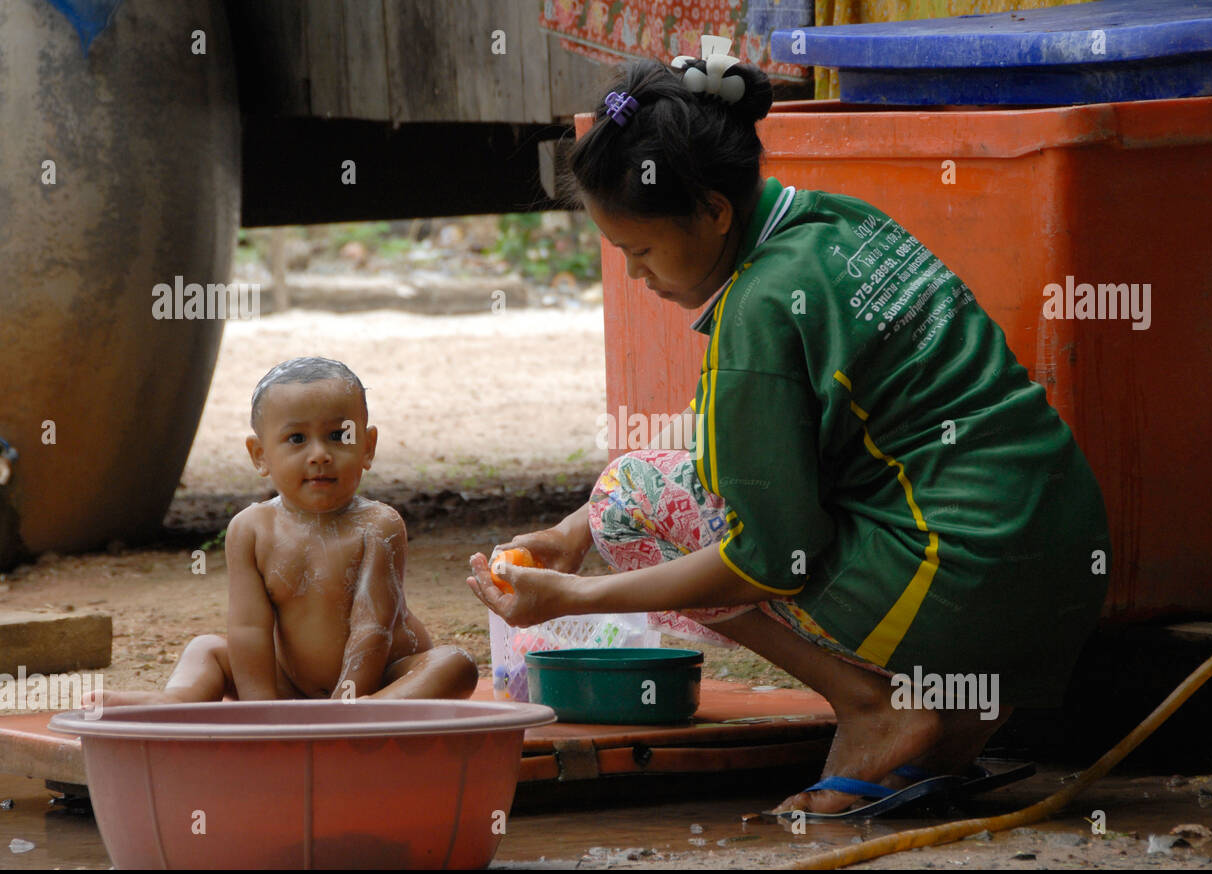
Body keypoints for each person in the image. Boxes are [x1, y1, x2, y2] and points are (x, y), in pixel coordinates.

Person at [468, 44, 1110, 815]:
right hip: (1060, 564)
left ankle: (881, 711)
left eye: (639, 251)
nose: (637, 277)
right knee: (623, 499)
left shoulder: (759, 310)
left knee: (632, 504)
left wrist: (574, 594)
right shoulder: (834, 219)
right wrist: (571, 533)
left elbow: (765, 561)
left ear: (713, 211)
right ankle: (960, 715)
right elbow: (740, 425)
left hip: (964, 575)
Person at [92, 357, 478, 706]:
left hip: (380, 680)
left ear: (367, 446)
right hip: (290, 685)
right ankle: (176, 701)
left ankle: (367, 713)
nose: (319, 454)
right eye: (296, 439)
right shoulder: (252, 530)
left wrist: (346, 703)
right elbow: (248, 628)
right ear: (260, 455)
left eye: (338, 436)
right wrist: (262, 711)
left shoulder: (379, 525)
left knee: (454, 664)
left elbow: (372, 628)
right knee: (206, 649)